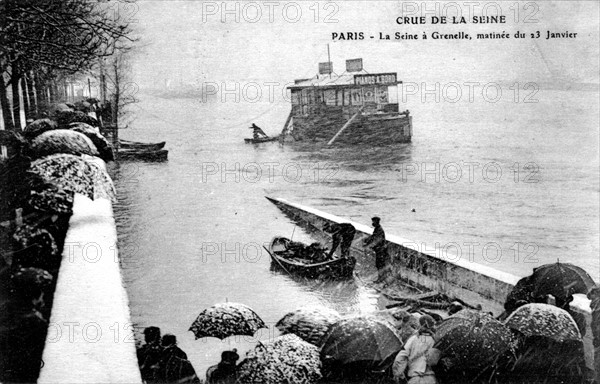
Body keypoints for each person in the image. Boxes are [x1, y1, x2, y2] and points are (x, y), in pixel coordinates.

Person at [392, 315, 439, 384]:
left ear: (420, 325)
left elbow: (399, 358)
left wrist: (398, 374)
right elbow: (435, 361)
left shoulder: (413, 339)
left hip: (415, 378)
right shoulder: (435, 341)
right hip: (431, 378)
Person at [363, 217, 390, 283]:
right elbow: (373, 237)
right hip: (379, 250)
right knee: (379, 265)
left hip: (381, 250)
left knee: (380, 265)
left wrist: (369, 245)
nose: (372, 223)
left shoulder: (379, 230)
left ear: (377, 222)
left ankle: (382, 279)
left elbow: (376, 240)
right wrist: (367, 241)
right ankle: (381, 279)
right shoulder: (377, 229)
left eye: (373, 222)